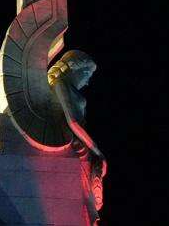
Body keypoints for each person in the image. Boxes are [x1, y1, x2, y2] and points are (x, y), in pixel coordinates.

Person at [48, 50, 107, 222]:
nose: (87, 81)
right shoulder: (60, 84)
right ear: (74, 68)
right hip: (72, 142)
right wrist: (96, 150)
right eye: (87, 74)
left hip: (81, 142)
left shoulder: (69, 87)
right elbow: (72, 122)